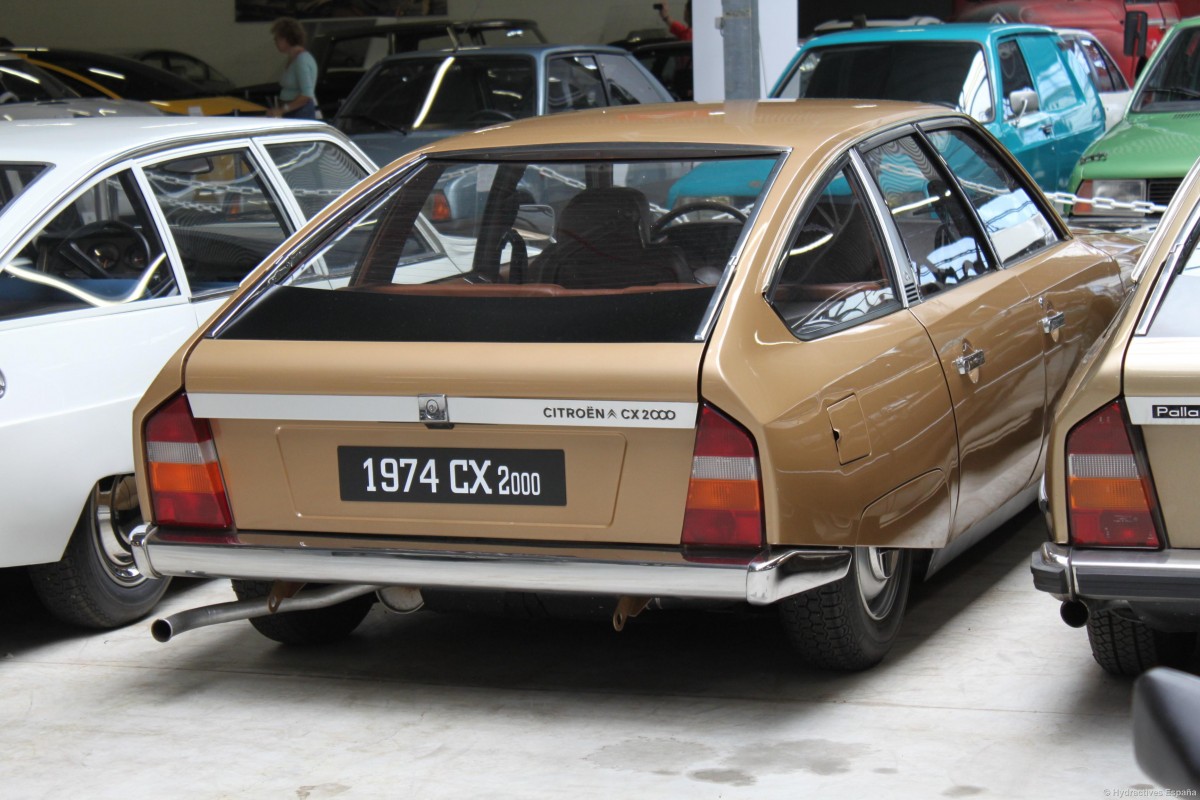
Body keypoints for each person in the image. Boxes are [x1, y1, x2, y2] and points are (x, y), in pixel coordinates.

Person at [267, 17, 318, 119]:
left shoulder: (301, 61)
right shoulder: (294, 59)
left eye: (276, 39)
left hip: (300, 112)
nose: (275, 42)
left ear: (285, 39)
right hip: (292, 110)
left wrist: (282, 109)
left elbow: (306, 95)